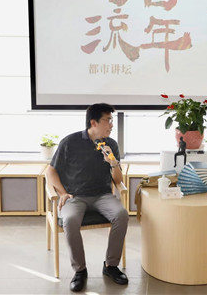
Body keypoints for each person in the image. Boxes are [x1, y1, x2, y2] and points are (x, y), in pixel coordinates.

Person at [45, 103, 129, 292]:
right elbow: (50, 172)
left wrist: (113, 162)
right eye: (108, 120)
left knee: (121, 215)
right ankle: (80, 271)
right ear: (93, 122)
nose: (111, 125)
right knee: (69, 220)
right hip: (75, 196)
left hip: (102, 195)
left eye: (112, 121)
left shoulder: (111, 144)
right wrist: (62, 193)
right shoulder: (70, 142)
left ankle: (111, 266)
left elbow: (118, 180)